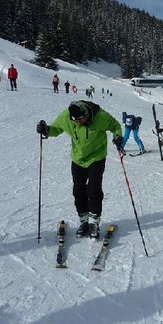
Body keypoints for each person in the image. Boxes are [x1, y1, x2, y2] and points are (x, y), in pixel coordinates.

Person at [36, 101, 123, 240]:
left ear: (87, 114)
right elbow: (56, 129)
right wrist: (46, 130)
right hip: (78, 159)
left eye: (81, 119)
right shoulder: (66, 117)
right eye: (75, 120)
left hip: (96, 157)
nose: (79, 123)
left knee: (93, 189)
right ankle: (84, 221)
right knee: (78, 190)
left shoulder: (100, 117)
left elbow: (115, 126)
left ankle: (94, 223)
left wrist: (118, 136)